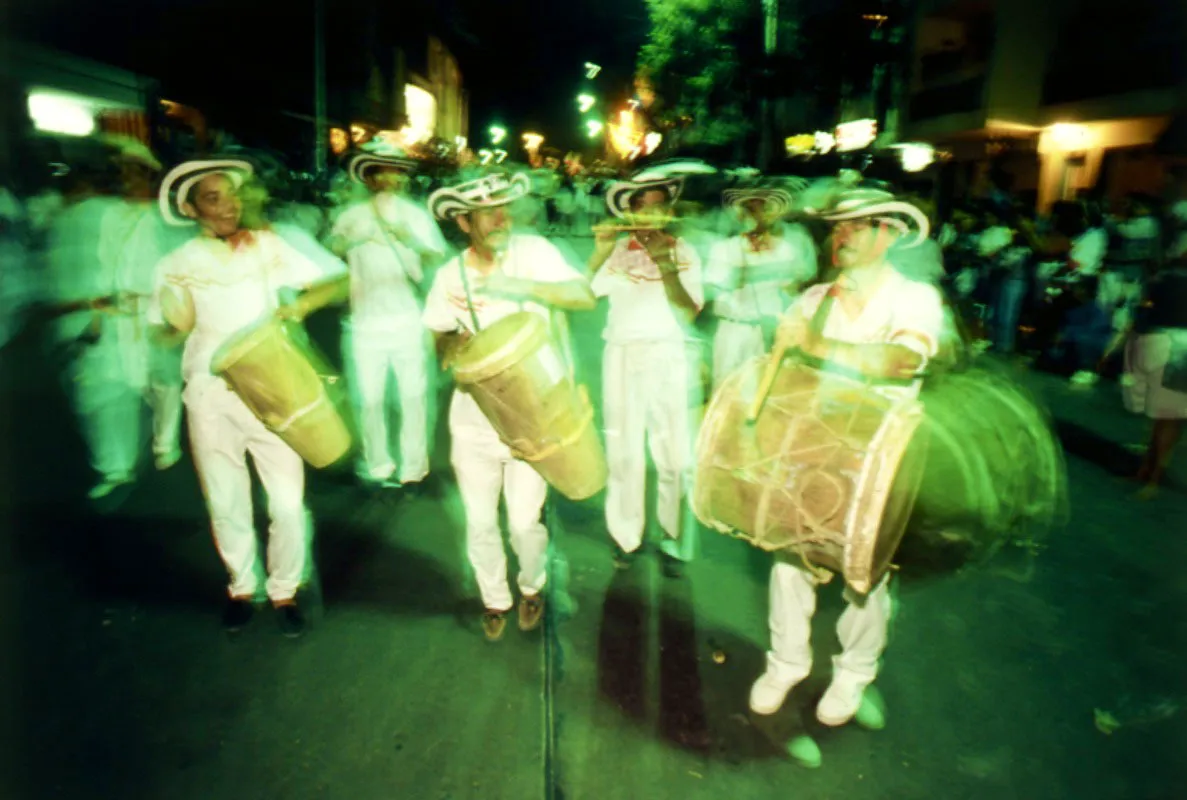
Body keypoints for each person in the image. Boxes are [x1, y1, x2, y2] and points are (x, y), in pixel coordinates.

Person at [749, 184, 945, 728]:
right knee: (790, 558)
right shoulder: (813, 301)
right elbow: (781, 378)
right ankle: (786, 662)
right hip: (812, 450)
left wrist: (816, 348)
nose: (842, 236)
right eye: (837, 227)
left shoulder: (914, 298)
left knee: (865, 575)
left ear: (891, 233)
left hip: (881, 460)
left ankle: (854, 673)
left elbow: (905, 361)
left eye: (856, 226)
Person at [147, 159, 348, 637]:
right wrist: (165, 323)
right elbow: (168, 329)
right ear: (192, 209)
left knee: (286, 500)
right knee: (225, 498)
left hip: (272, 387)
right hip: (209, 392)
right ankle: (242, 585)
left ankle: (284, 589)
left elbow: (338, 280)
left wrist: (300, 304)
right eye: (214, 198)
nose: (229, 205)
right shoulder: (174, 264)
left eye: (232, 195)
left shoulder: (267, 245)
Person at [421, 171, 595, 641]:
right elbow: (439, 330)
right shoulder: (448, 275)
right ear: (463, 222)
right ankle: (494, 597)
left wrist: (527, 288)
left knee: (522, 522)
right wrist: (450, 351)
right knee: (480, 521)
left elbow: (583, 296)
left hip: (533, 414)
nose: (501, 219)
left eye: (505, 208)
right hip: (474, 418)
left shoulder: (534, 253)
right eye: (487, 212)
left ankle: (532, 584)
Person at [588, 174, 704, 578]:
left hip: (669, 355)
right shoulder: (619, 250)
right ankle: (626, 536)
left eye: (658, 206)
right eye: (641, 206)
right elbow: (586, 292)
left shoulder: (685, 250)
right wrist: (600, 249)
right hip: (620, 353)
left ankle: (674, 538)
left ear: (668, 213)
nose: (650, 214)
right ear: (631, 212)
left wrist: (665, 264)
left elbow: (689, 310)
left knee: (675, 456)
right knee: (623, 451)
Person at [328, 148, 446, 490]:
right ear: (367, 177)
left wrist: (408, 239)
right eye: (379, 172)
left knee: (414, 397)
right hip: (363, 324)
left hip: (408, 320)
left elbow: (436, 257)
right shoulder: (350, 215)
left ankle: (413, 468)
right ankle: (377, 464)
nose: (388, 179)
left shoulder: (415, 215)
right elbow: (332, 251)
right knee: (369, 399)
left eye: (395, 172)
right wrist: (352, 238)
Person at [704, 183, 818, 387]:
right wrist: (745, 268)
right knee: (726, 388)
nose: (758, 215)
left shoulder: (786, 249)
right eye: (751, 209)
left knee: (764, 388)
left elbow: (792, 289)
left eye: (763, 208)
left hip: (768, 331)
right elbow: (715, 292)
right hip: (733, 330)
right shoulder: (724, 249)